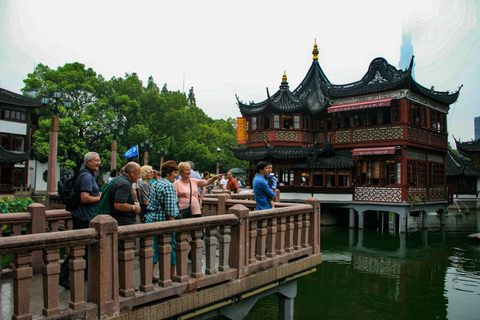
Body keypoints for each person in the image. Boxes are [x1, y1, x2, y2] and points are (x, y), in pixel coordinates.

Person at [59, 151, 102, 290]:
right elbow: (85, 198)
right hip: (84, 217)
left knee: (84, 249)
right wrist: (100, 197)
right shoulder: (86, 177)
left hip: (83, 215)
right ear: (88, 162)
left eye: (99, 160)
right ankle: (63, 275)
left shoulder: (85, 174)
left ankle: (84, 275)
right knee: (79, 247)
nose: (99, 163)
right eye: (96, 160)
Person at [145, 160, 180, 280]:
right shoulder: (168, 186)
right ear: (168, 173)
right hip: (163, 222)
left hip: (151, 219)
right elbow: (170, 211)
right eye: (175, 173)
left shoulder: (155, 183)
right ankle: (171, 274)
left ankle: (149, 275)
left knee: (152, 249)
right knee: (171, 247)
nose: (177, 176)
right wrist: (173, 225)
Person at [109, 162, 142, 226]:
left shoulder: (118, 179)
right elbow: (119, 205)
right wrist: (134, 208)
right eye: (138, 174)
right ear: (132, 172)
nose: (139, 176)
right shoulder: (125, 184)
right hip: (123, 222)